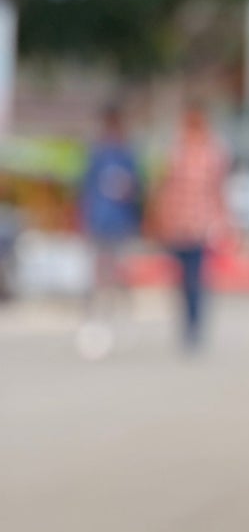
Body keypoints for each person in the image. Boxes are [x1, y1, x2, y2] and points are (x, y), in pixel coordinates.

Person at [150, 101, 229, 348]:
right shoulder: (175, 151)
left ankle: (194, 326)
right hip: (177, 224)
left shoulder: (213, 153)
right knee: (181, 278)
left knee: (196, 277)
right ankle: (187, 323)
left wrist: (224, 222)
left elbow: (218, 191)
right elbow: (164, 187)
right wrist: (160, 218)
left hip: (200, 226)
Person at [76, 103, 144, 357]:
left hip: (121, 223)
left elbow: (138, 189)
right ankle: (94, 325)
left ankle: (123, 322)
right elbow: (85, 189)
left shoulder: (128, 154)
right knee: (95, 276)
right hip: (98, 222)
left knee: (120, 275)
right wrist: (82, 220)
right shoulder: (96, 153)